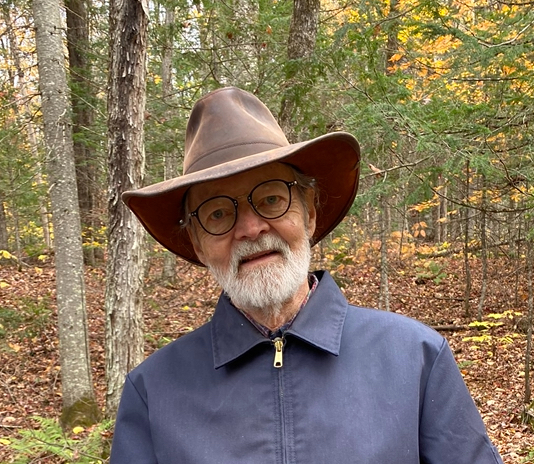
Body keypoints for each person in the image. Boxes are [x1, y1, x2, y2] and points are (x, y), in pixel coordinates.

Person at [110, 86, 503, 464]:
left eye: (271, 199)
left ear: (309, 213)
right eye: (218, 213)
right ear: (198, 244)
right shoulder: (154, 393)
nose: (250, 228)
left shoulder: (415, 359)